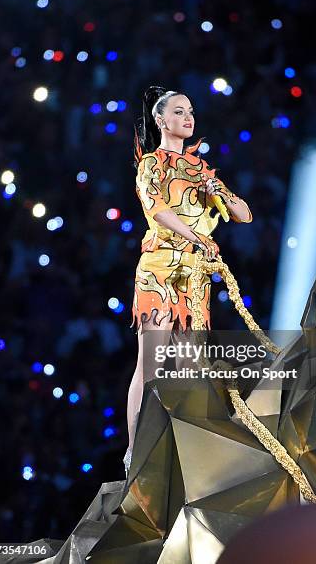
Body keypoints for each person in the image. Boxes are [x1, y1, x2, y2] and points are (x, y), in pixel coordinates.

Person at [124, 85, 253, 473]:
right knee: (151, 364)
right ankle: (134, 452)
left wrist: (222, 196)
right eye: (179, 112)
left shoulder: (200, 169)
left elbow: (245, 214)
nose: (187, 117)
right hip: (161, 270)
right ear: (161, 120)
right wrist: (197, 237)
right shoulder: (151, 164)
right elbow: (157, 209)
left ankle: (186, 451)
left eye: (190, 111)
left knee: (190, 366)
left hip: (194, 277)